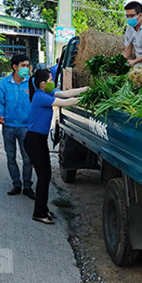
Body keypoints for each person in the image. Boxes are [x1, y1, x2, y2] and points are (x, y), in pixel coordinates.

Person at [24, 69, 88, 224]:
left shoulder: (47, 93)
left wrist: (86, 90)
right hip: (34, 141)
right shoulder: (40, 97)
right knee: (44, 176)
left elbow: (67, 94)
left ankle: (43, 208)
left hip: (38, 140)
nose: (53, 81)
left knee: (45, 176)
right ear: (43, 83)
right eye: (50, 79)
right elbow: (66, 102)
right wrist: (87, 98)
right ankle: (39, 212)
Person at [0, 54, 35, 199]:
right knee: (10, 156)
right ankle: (16, 183)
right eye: (23, 65)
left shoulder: (31, 83)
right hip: (9, 126)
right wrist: (0, 114)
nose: (26, 68)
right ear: (15, 67)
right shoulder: (4, 83)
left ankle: (27, 186)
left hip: (26, 126)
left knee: (28, 158)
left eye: (27, 65)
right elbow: (0, 101)